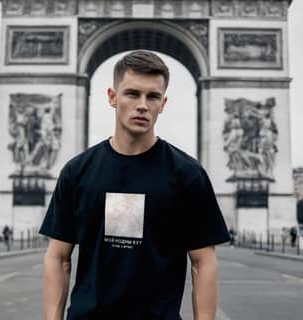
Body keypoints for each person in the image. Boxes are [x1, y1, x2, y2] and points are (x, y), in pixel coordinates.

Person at [39, 50, 230, 320]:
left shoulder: (188, 174)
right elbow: (58, 258)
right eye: (132, 93)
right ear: (112, 97)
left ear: (163, 103)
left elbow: (203, 262)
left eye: (152, 96)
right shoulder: (76, 172)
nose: (142, 105)